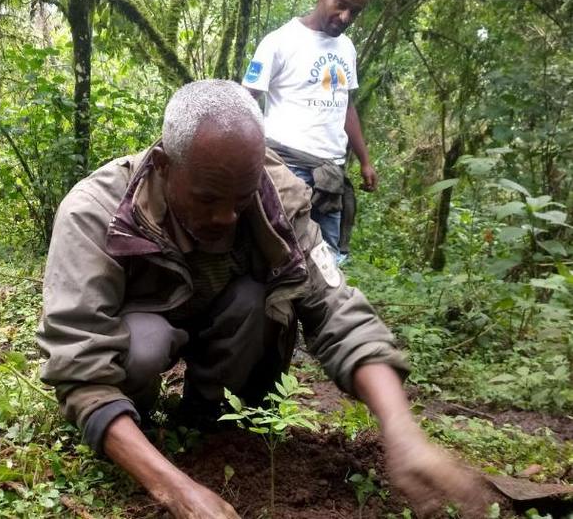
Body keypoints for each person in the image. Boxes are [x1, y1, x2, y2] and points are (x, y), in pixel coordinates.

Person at [37, 80, 486, 519]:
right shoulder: (97, 212)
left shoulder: (280, 199)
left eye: (241, 197)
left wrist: (402, 433)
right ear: (163, 165)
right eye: (208, 198)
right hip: (144, 332)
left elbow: (338, 312)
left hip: (231, 334)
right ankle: (137, 425)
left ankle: (206, 424)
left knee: (260, 301)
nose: (226, 216)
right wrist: (175, 489)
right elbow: (79, 367)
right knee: (144, 343)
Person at [243, 0, 376, 265]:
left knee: (327, 262)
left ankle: (318, 312)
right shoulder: (279, 41)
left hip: (330, 174)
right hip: (285, 167)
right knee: (277, 254)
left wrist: (365, 161)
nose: (345, 18)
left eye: (354, 13)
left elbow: (346, 105)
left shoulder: (347, 49)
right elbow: (246, 98)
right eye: (341, 5)